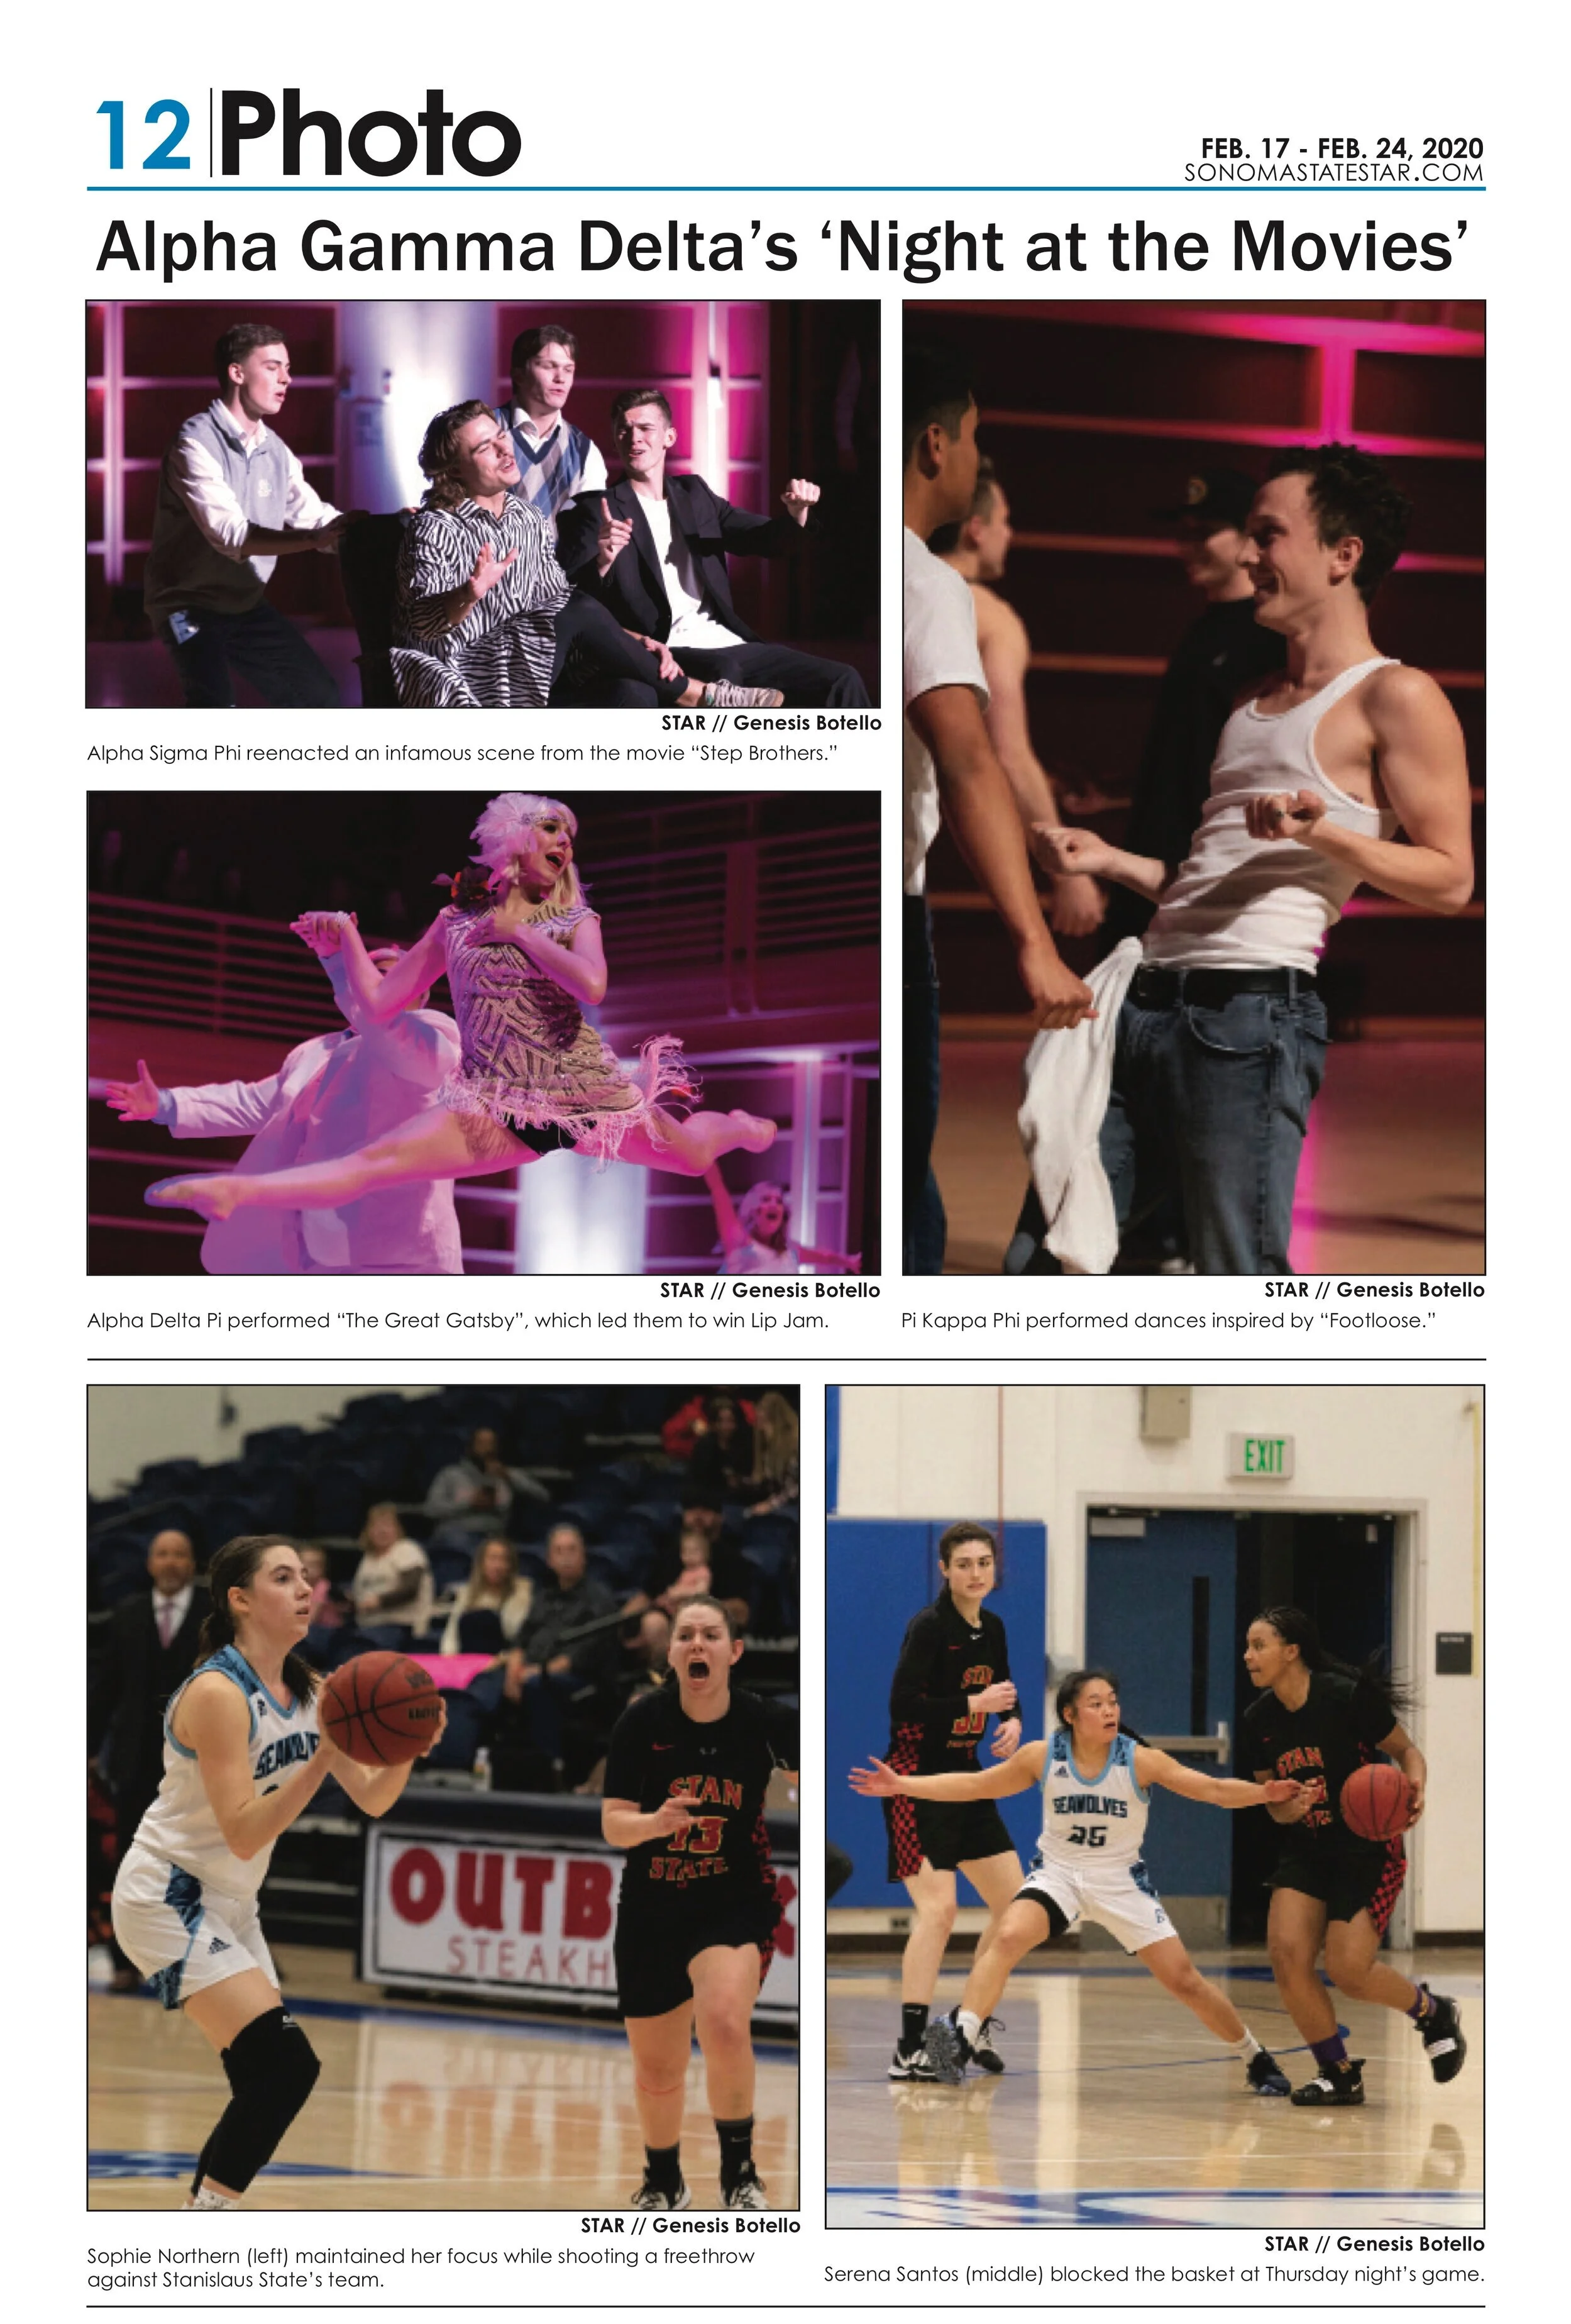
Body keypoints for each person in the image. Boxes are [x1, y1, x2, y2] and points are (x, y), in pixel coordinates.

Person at [1034, 443, 1474, 1273]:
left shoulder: (1396, 696)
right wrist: (1107, 860)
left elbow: (1450, 878)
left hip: (1244, 1018)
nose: (1244, 554)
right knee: (1057, 1254)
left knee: (1237, 1273)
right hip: (1144, 1004)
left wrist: (1323, 835)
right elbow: (1205, 881)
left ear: (1343, 555)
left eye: (1266, 535)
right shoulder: (1247, 704)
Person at [143, 794, 780, 1234]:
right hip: (500, 1106)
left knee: (695, 1155)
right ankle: (234, 1193)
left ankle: (746, 1128)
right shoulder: (455, 924)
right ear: (513, 842)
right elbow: (380, 1004)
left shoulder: (573, 919)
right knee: (370, 1165)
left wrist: (520, 932)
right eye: (553, 832)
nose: (565, 844)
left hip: (587, 1098)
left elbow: (593, 986)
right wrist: (346, 941)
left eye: (570, 838)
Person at [1003, 465, 1287, 1275]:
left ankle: (1158, 1251)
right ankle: (1138, 1247)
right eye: (1185, 529)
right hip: (1149, 891)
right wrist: (1120, 797)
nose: (1188, 544)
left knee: (1148, 1093)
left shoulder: (1261, 644)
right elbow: (1195, 766)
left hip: (1188, 903)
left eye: (1210, 531)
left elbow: (1236, 787)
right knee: (1107, 1088)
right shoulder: (1209, 632)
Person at [109, 1535, 446, 2209]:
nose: (305, 1589)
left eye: (308, 1578)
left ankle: (196, 2225)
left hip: (232, 1902)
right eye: (285, 1577)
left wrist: (408, 1745)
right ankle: (209, 2225)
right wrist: (323, 1757)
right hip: (166, 1892)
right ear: (240, 1599)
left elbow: (375, 1797)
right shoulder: (215, 1691)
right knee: (289, 2068)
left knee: (263, 2080)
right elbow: (240, 1831)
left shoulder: (319, 1690)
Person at [851, 1666, 1304, 2092]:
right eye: (1096, 1704)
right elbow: (975, 1786)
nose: (1109, 1711)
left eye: (1112, 1702)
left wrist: (1263, 1793)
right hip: (1059, 1876)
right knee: (1007, 1935)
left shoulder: (1140, 1761)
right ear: (1070, 1715)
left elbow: (1212, 1789)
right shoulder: (1043, 1756)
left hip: (1120, 1882)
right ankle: (962, 2035)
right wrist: (905, 1785)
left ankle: (1254, 2056)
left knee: (1185, 1980)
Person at [902, 340, 1094, 1271]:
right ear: (936, 446)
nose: (979, 465)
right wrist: (1046, 888)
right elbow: (987, 759)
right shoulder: (947, 594)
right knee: (902, 1192)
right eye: (975, 440)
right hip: (891, 911)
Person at [104, 917, 462, 1274]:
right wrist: (166, 1105)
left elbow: (387, 1031)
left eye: (390, 975)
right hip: (315, 1247)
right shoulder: (315, 1052)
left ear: (421, 991)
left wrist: (339, 960)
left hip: (400, 1253)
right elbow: (253, 1103)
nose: (376, 981)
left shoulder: (435, 1036)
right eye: (368, 971)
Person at [601, 1595, 798, 2210]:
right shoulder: (642, 1722)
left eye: (711, 1635)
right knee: (658, 2070)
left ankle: (740, 2174)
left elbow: (809, 1780)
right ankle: (664, 2180)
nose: (697, 1645)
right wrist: (654, 1823)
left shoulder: (765, 1720)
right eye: (685, 1634)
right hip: (653, 1907)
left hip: (732, 1899)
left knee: (722, 2021)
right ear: (670, 1652)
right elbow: (612, 1825)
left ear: (734, 1651)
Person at [389, 402, 780, 711]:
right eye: (483, 448)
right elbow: (423, 625)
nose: (504, 450)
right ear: (455, 471)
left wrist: (636, 640)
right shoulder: (435, 528)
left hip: (538, 664)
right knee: (574, 608)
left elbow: (554, 598)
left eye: (500, 437)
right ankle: (701, 696)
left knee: (634, 695)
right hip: (476, 674)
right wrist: (468, 594)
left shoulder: (527, 516)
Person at [1243, 1605, 1464, 2106]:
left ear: (1291, 1651)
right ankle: (1337, 2073)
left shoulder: (1344, 1697)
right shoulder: (1260, 1719)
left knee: (1348, 1970)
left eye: (1259, 1646)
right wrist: (1287, 1807)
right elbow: (1269, 1803)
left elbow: (1408, 1753)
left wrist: (1416, 1786)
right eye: (1248, 1646)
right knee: (1286, 1956)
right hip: (1307, 1846)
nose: (1248, 1656)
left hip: (1367, 1848)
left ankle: (1432, 2012)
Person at [566, 387, 871, 708]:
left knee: (842, 680)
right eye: (624, 429)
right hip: (665, 650)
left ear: (669, 437)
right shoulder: (598, 510)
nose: (634, 438)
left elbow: (764, 538)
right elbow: (574, 604)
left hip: (726, 641)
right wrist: (602, 561)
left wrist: (797, 515)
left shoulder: (695, 495)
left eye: (645, 428)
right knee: (726, 672)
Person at [930, 458, 1106, 943]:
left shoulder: (904, 591)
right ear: (976, 530)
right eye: (1005, 522)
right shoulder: (990, 616)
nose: (1010, 534)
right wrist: (1065, 871)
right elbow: (1007, 752)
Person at [142, 323, 361, 708]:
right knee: (214, 704)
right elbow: (231, 536)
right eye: (274, 367)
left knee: (317, 696)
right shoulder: (194, 442)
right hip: (187, 606)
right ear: (237, 372)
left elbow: (316, 519)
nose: (287, 379)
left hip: (243, 604)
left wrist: (382, 531)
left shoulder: (276, 451)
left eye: (288, 368)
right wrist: (314, 540)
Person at [878, 1522, 1023, 2083]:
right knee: (939, 1913)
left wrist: (1008, 1724)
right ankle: (910, 2049)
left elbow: (1004, 1695)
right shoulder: (929, 1627)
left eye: (983, 1563)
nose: (974, 1573)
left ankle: (965, 2026)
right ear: (944, 1569)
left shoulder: (994, 1627)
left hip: (968, 1779)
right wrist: (973, 1702)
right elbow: (903, 1706)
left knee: (1016, 1911)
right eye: (963, 1563)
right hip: (914, 1783)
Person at [89, 1531, 208, 1992]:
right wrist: (88, 1747)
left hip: (197, 1761)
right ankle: (124, 1961)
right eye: (163, 1553)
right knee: (131, 1863)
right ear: (150, 1563)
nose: (172, 1561)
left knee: (194, 1864)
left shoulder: (213, 1618)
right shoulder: (129, 1614)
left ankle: (193, 1962)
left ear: (192, 1562)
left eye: (181, 1553)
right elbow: (106, 1690)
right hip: (136, 1760)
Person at [499, 1522, 620, 1771]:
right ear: (549, 1559)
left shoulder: (599, 1598)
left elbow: (583, 1655)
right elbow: (522, 1640)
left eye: (572, 1550)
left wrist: (537, 1672)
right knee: (489, 1682)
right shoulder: (544, 1597)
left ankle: (550, 1764)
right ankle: (489, 1763)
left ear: (584, 1556)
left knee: (539, 1685)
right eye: (559, 1551)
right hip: (534, 1671)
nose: (566, 1557)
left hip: (581, 1680)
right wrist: (514, 1669)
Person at [497, 324, 607, 529]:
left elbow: (588, 534)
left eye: (568, 370)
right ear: (519, 375)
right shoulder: (486, 432)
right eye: (549, 367)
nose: (561, 378)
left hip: (559, 563)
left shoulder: (584, 451)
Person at [705, 1166, 861, 1275]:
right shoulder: (740, 1243)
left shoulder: (790, 1252)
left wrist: (849, 1262)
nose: (774, 1204)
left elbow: (825, 1257)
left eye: (779, 1201)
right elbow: (718, 1189)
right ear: (752, 1210)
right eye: (766, 1200)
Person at [424, 1425, 548, 1545]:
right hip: (456, 1533)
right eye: (482, 1444)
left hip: (494, 1534)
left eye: (492, 1444)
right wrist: (469, 1503)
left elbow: (543, 1495)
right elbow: (430, 1510)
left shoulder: (505, 1474)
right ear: (470, 1448)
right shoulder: (450, 1474)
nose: (488, 1449)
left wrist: (509, 1477)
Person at [348, 1505, 434, 1646]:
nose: (382, 1531)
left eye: (387, 1526)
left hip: (401, 1626)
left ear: (397, 1529)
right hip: (367, 1625)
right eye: (376, 1527)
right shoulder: (368, 1558)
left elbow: (411, 1588)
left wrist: (380, 1601)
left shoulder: (407, 1550)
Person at [438, 1534, 534, 1657]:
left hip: (502, 1661)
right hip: (467, 1663)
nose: (498, 1566)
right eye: (493, 1559)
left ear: (511, 1565)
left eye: (504, 1560)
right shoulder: (467, 1593)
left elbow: (514, 1632)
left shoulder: (522, 1592)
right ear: (482, 1563)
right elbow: (451, 1635)